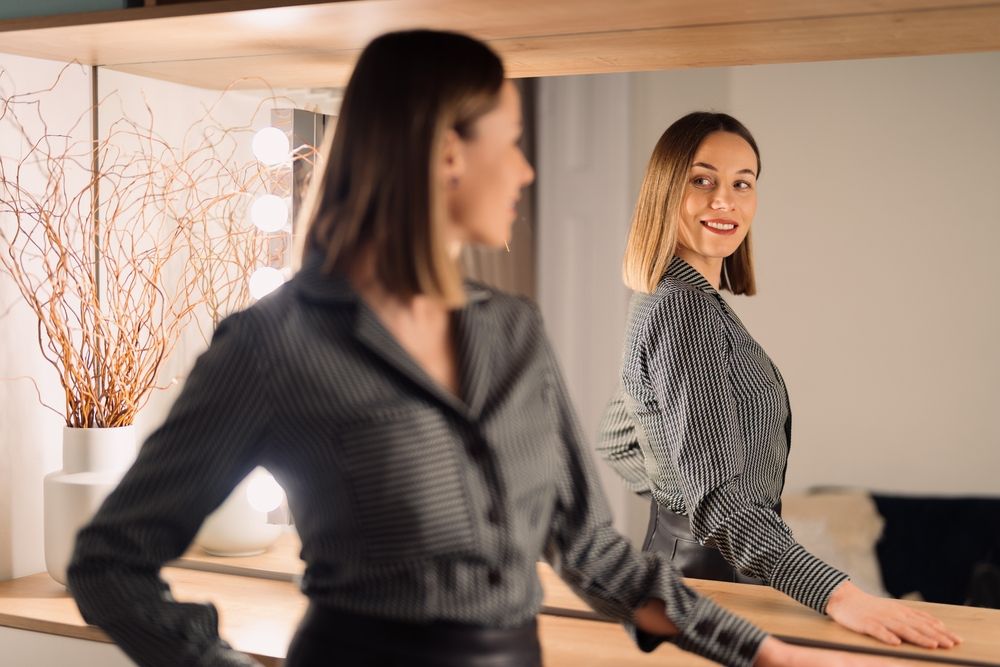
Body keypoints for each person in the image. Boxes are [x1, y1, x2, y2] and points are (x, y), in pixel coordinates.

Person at [71, 32, 907, 667]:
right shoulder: (274, 344)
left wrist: (755, 647)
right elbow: (110, 563)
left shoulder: (512, 331)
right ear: (442, 153)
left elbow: (588, 550)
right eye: (508, 141)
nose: (527, 171)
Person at [597, 111, 960, 650]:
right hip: (709, 588)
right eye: (703, 180)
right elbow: (720, 499)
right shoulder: (683, 312)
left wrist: (680, 497)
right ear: (665, 190)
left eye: (742, 183)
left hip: (702, 574)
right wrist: (842, 595)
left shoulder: (665, 300)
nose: (726, 200)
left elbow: (617, 437)